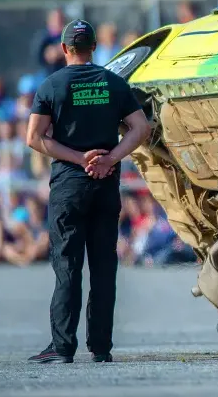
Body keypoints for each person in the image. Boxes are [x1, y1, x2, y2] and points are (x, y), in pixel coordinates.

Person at [25, 19, 151, 363]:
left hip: (69, 185)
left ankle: (63, 346)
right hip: (105, 184)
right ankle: (101, 347)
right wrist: (110, 157)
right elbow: (141, 127)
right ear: (94, 47)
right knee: (103, 267)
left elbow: (34, 138)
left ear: (65, 48)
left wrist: (80, 158)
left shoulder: (51, 85)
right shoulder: (113, 82)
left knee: (67, 266)